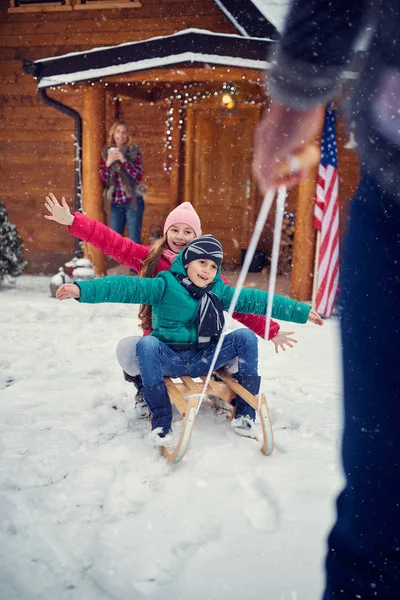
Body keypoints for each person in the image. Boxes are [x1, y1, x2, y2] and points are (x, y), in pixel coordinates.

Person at [251, 1, 400, 598]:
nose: (199, 262)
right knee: (380, 488)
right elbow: (136, 280)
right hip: (392, 203)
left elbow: (250, 313)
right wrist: (298, 93)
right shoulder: (169, 277)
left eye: (205, 255)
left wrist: (293, 314)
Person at [56, 235, 323, 445]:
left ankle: (245, 413)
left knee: (245, 337)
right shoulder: (163, 284)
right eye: (202, 262)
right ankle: (161, 420)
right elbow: (123, 288)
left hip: (204, 358)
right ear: (187, 262)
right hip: (169, 358)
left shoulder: (219, 290)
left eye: (213, 266)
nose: (207, 270)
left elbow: (258, 300)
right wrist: (82, 289)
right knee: (146, 344)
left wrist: (299, 311)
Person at [44, 195, 298, 407]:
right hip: (162, 343)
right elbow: (114, 243)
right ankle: (145, 389)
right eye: (174, 230)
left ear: (196, 237)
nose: (180, 236)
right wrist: (75, 223)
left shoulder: (205, 269)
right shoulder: (150, 258)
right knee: (128, 350)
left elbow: (237, 304)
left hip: (200, 345)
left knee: (235, 347)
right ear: (166, 233)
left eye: (188, 232)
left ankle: (225, 389)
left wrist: (270, 329)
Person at [100, 120, 145, 243]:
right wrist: (108, 162)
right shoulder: (106, 152)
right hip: (116, 202)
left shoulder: (133, 151)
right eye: (118, 132)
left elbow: (138, 175)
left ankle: (136, 262)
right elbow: (104, 178)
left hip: (133, 201)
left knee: (134, 239)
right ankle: (121, 263)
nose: (121, 135)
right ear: (113, 134)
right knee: (115, 239)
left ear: (128, 135)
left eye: (124, 132)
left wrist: (124, 160)